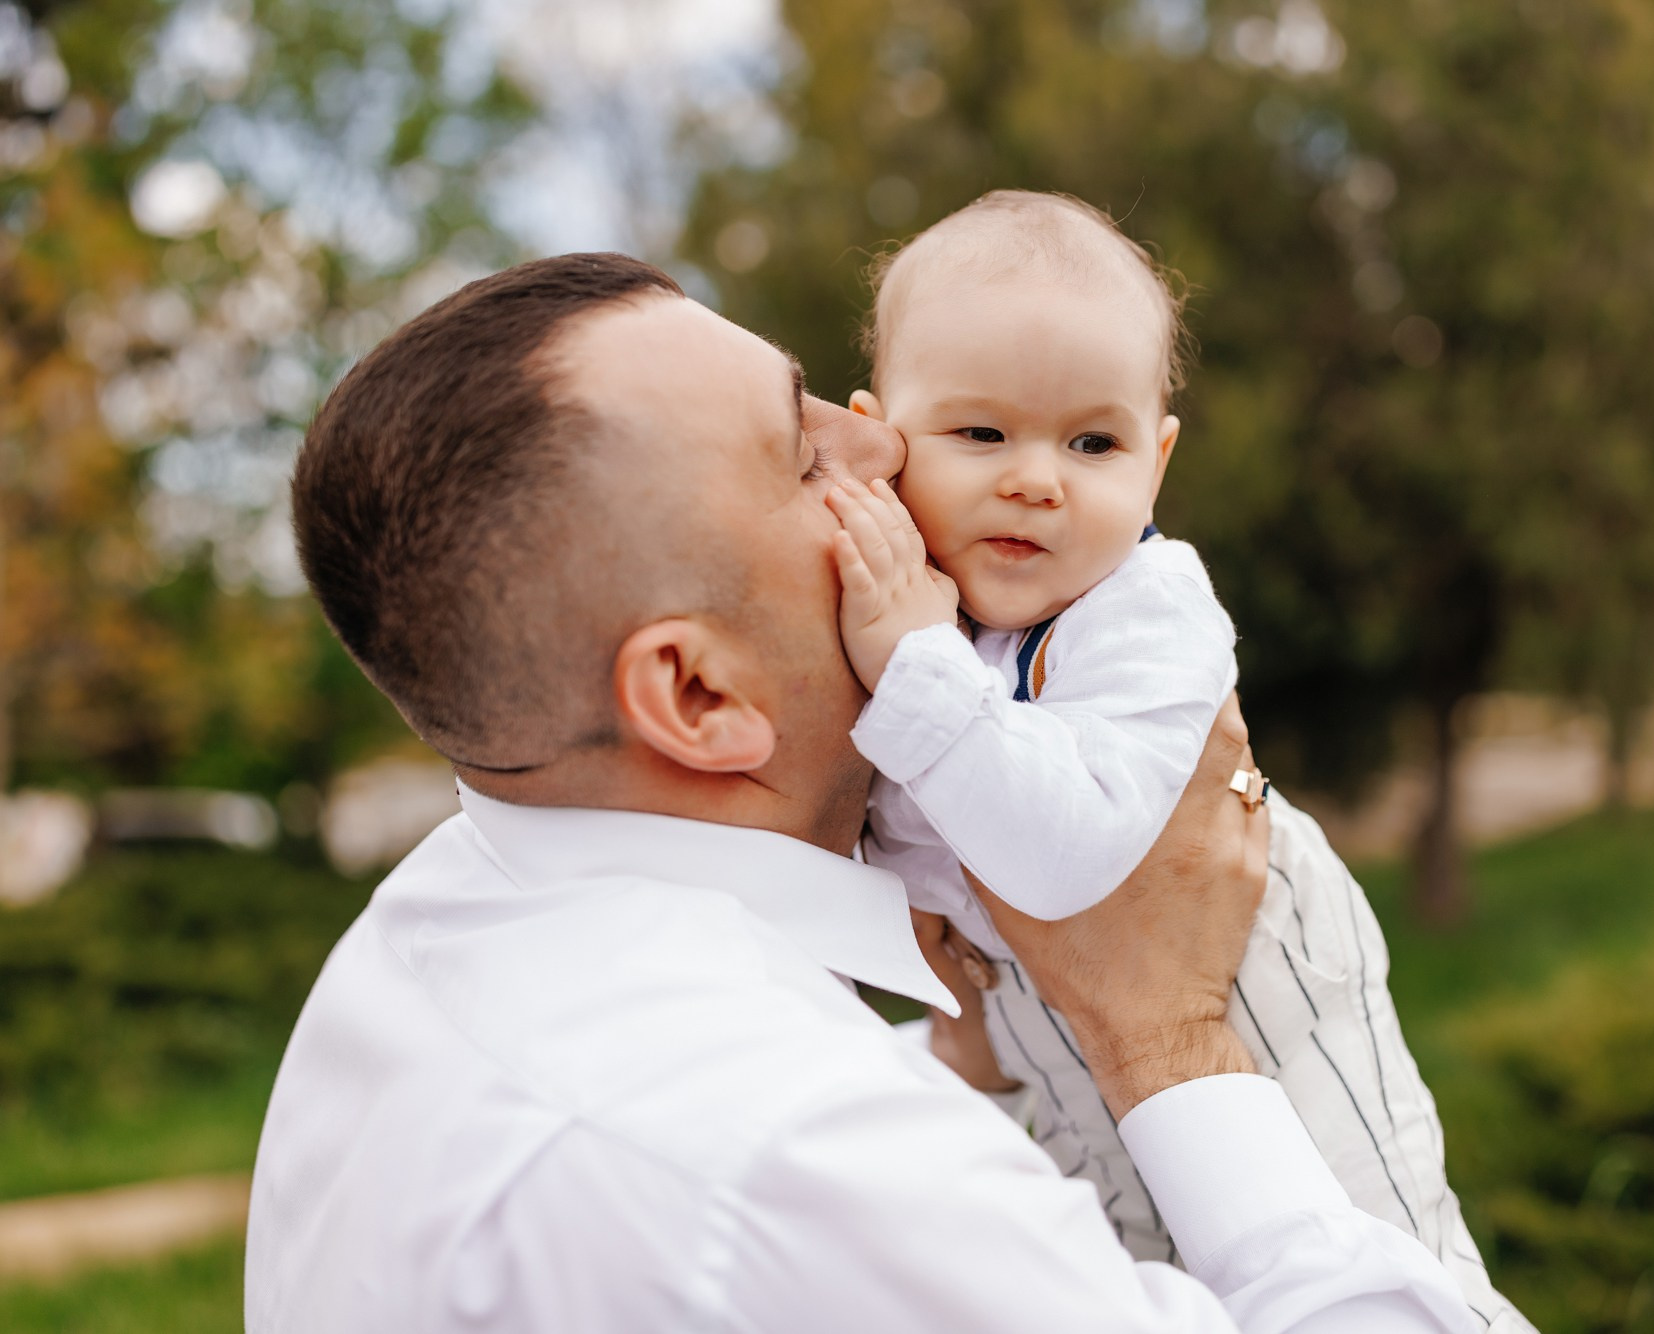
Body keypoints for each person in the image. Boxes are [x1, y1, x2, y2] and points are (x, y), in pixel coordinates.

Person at [246, 250, 1482, 1332]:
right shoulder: (792, 1156)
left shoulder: (433, 930)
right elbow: (798, 1207)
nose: (884, 444)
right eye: (801, 455)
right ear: (696, 697)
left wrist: (970, 1065)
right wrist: (1165, 1042)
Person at [829, 191, 1529, 1329]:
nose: (1036, 478)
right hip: (1056, 1027)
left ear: (1154, 461)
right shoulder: (906, 606)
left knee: (1370, 1254)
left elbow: (1061, 862)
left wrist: (910, 663)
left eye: (1091, 441)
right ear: (877, 437)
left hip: (1257, 990)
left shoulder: (1143, 609)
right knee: (1157, 1282)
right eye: (979, 433)